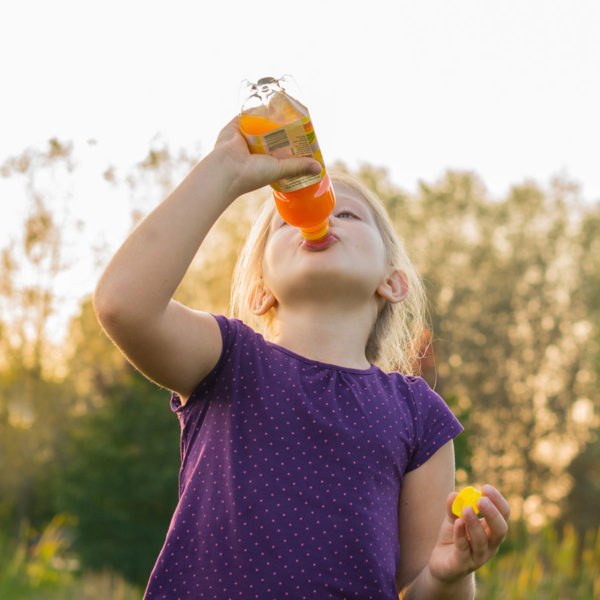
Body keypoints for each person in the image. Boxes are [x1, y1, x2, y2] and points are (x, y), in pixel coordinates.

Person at [94, 116, 510, 599]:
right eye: (287, 217)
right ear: (260, 292)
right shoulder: (228, 361)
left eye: (348, 214)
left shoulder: (420, 417)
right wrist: (224, 170)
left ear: (392, 282)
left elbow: (421, 585)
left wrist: (448, 573)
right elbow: (122, 304)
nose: (321, 214)